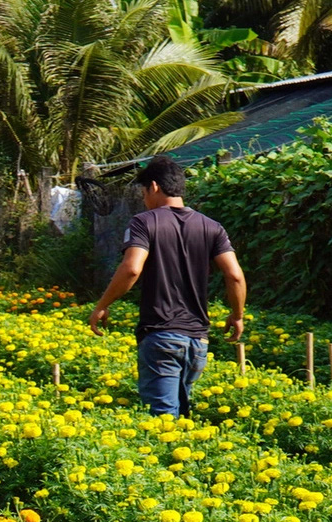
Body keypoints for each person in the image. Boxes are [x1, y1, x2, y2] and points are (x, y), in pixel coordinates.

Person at [86, 155, 246, 417]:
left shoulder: (144, 222)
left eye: (143, 191)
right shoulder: (212, 227)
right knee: (181, 415)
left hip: (161, 335)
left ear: (155, 187)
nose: (143, 198)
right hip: (197, 340)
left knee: (162, 420)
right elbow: (235, 276)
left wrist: (102, 305)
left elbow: (132, 268)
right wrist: (237, 316)